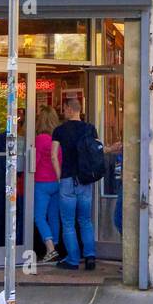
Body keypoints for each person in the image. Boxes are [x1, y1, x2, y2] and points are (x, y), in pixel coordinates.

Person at [51, 98, 97, 271]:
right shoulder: (90, 129)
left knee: (68, 222)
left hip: (67, 179)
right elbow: (96, 151)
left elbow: (54, 155)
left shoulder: (60, 131)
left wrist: (59, 176)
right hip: (85, 180)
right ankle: (90, 257)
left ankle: (73, 260)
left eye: (64, 109)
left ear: (69, 109)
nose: (63, 112)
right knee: (85, 220)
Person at [33, 104, 61, 262]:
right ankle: (55, 248)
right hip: (57, 182)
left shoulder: (40, 139)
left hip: (42, 182)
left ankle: (50, 248)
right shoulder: (58, 139)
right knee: (54, 216)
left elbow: (34, 162)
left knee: (39, 216)